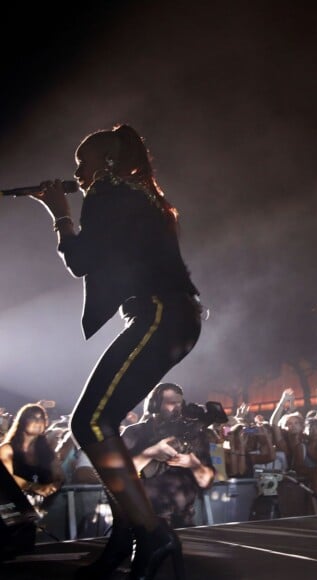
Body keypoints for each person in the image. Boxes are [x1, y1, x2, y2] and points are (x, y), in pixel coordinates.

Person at [30, 124, 203, 580]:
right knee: (102, 425)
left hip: (159, 314)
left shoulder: (109, 191)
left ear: (105, 163)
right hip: (168, 316)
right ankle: (127, 537)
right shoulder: (139, 195)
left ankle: (151, 533)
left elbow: (82, 261)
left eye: (81, 163)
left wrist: (59, 213)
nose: (78, 173)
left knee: (89, 420)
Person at [121, 383, 215, 529]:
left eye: (180, 403)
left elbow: (206, 482)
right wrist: (150, 453)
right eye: (172, 403)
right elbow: (119, 475)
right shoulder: (134, 433)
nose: (178, 408)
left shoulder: (194, 433)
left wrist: (194, 464)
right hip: (144, 521)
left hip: (185, 521)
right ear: (155, 405)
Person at [0, 403, 63, 510]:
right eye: (32, 417)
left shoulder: (48, 452)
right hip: (10, 507)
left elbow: (59, 476)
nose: (38, 421)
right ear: (22, 421)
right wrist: (34, 487)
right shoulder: (7, 449)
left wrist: (53, 487)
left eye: (41, 418)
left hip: (40, 509)